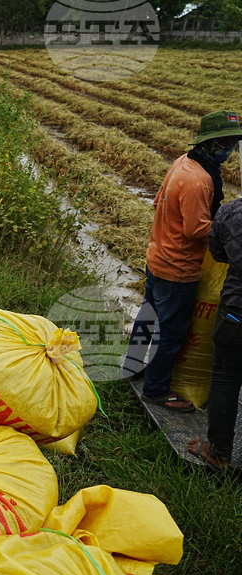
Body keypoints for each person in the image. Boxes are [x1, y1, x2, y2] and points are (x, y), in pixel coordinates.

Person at [126, 110, 242, 413]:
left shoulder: (183, 162)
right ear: (209, 142)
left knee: (147, 318)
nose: (230, 148)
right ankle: (155, 389)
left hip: (158, 255)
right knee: (173, 332)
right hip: (178, 268)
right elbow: (195, 230)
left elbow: (158, 202)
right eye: (224, 141)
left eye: (233, 141)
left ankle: (133, 366)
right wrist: (227, 228)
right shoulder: (199, 181)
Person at [188, 198, 242, 471]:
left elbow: (218, 253)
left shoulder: (232, 212)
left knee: (226, 377)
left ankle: (219, 452)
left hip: (237, 311)